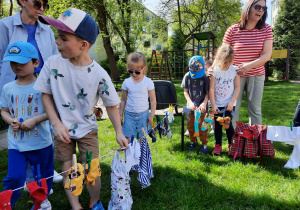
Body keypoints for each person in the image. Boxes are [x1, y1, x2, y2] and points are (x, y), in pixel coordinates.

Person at [33, 8, 129, 210]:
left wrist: (119, 132)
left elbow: (111, 105)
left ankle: (95, 202)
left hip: (87, 130)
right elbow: (45, 94)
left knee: (91, 170)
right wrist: (56, 124)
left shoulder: (99, 73)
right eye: (57, 37)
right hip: (62, 131)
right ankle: (75, 206)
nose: (57, 42)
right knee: (68, 169)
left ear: (83, 44)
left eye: (64, 38)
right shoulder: (52, 63)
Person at [0, 0, 62, 184]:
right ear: (22, 1)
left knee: (44, 125)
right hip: (14, 85)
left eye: (45, 5)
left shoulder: (47, 30)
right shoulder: (4, 26)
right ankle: (27, 175)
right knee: (19, 126)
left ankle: (45, 169)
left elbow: (53, 60)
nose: (42, 9)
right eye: (37, 3)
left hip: (41, 85)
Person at [0, 41, 54, 207]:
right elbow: (4, 110)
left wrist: (35, 120)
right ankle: (6, 204)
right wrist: (10, 120)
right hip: (16, 143)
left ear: (35, 63)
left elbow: (53, 112)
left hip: (41, 142)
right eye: (13, 62)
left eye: (22, 62)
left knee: (42, 178)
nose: (17, 66)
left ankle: (40, 203)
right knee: (15, 177)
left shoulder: (44, 86)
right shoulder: (8, 88)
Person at [222, 0, 273, 128]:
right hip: (234, 76)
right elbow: (223, 54)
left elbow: (267, 55)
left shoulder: (266, 29)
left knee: (255, 110)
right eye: (257, 7)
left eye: (263, 8)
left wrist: (248, 66)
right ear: (248, 8)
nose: (261, 10)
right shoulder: (232, 30)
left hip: (256, 75)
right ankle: (232, 141)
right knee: (232, 108)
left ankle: (256, 140)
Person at [209, 44, 240, 155]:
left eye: (229, 62)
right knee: (217, 125)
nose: (226, 65)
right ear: (218, 59)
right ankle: (218, 145)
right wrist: (213, 105)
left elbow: (237, 87)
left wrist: (231, 102)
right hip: (217, 104)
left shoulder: (234, 70)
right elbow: (211, 89)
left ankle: (232, 145)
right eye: (224, 62)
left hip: (229, 104)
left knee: (228, 124)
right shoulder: (214, 71)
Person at [119, 52, 156, 141]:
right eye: (130, 71)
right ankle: (129, 155)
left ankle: (140, 155)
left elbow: (153, 100)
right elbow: (123, 100)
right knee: (127, 140)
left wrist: (151, 115)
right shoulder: (126, 82)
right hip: (129, 115)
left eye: (137, 72)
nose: (134, 74)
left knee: (142, 141)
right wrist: (120, 115)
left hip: (143, 115)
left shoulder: (148, 82)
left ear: (144, 69)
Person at [181, 56, 209, 154]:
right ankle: (193, 142)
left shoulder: (206, 77)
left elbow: (208, 93)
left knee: (202, 127)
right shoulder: (187, 76)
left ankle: (204, 145)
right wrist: (189, 102)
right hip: (190, 107)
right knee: (190, 126)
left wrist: (204, 103)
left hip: (203, 107)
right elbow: (185, 92)